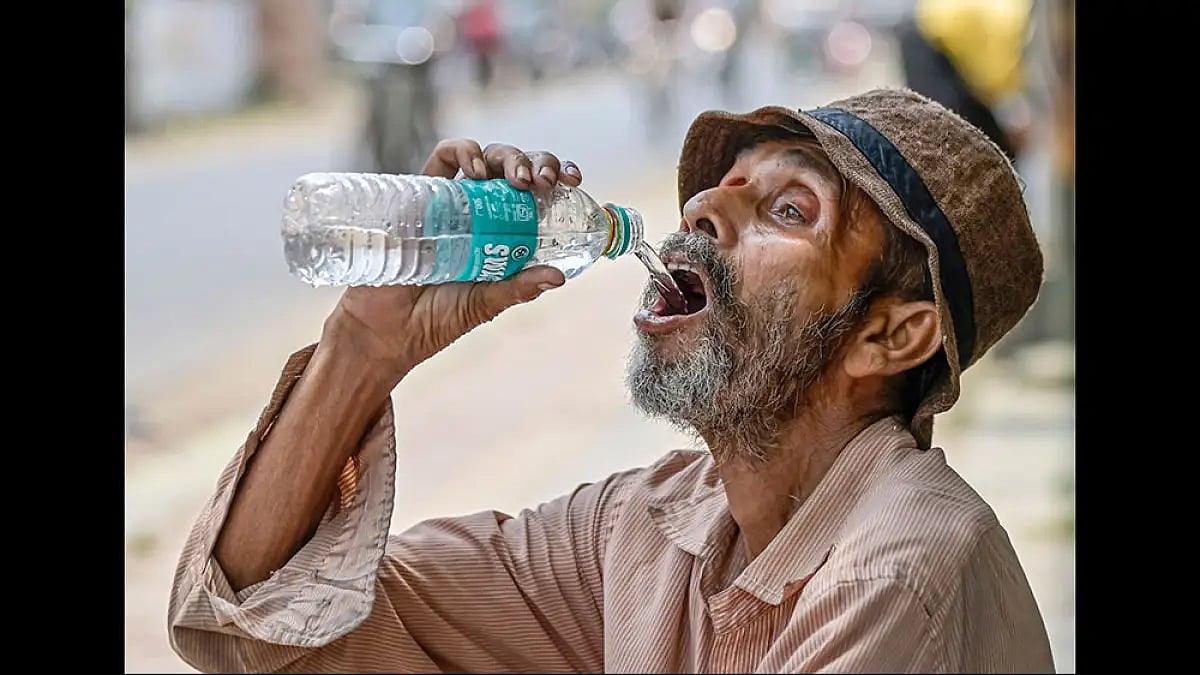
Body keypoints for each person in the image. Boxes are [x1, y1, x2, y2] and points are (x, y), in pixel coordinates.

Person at [168, 88, 1056, 672]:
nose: (705, 208)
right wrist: (366, 345)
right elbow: (255, 627)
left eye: (789, 210)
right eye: (720, 190)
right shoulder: (649, 527)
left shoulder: (898, 572)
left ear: (891, 334)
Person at [897, 0, 1035, 162]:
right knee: (944, 132)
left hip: (941, 35)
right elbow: (992, 77)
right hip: (932, 37)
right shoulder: (1017, 25)